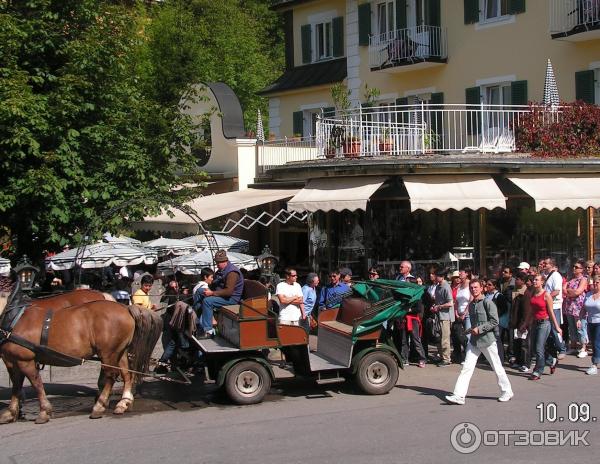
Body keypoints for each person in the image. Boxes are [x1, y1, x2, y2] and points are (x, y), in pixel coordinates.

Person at [445, 279, 513, 405]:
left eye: (476, 287)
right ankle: (459, 395)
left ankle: (507, 391)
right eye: (471, 288)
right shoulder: (471, 304)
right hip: (474, 341)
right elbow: (475, 323)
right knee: (466, 368)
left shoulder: (488, 303)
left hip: (487, 341)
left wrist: (480, 329)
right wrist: (469, 331)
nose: (473, 290)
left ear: (482, 288)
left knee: (497, 367)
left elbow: (494, 321)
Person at [198, 250, 244, 338]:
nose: (217, 264)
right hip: (222, 296)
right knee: (200, 292)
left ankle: (208, 331)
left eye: (218, 262)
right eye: (216, 262)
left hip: (231, 299)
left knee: (208, 301)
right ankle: (198, 320)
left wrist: (212, 293)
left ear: (225, 261)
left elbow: (228, 292)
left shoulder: (232, 273)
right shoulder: (221, 270)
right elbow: (215, 282)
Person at [527, 274, 562, 380]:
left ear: (542, 282)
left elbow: (551, 312)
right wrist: (525, 323)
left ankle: (538, 371)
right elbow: (531, 311)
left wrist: (557, 327)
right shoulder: (532, 293)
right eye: (534, 280)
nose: (534, 282)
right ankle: (552, 361)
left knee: (539, 348)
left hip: (544, 323)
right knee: (534, 347)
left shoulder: (546, 295)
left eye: (537, 280)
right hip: (535, 322)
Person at [399, 277, 427, 367]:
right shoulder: (404, 294)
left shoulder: (417, 295)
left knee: (416, 340)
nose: (405, 284)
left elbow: (418, 308)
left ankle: (422, 359)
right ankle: (404, 359)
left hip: (413, 320)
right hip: (404, 319)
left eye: (407, 282)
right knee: (404, 340)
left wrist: (409, 309)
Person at [543, 258, 567, 359]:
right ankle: (552, 353)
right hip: (548, 305)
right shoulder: (548, 276)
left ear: (552, 265)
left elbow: (556, 291)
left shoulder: (556, 275)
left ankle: (562, 349)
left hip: (555, 305)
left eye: (546, 263)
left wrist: (545, 298)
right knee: (548, 329)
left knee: (554, 328)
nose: (544, 265)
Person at [431, 268, 454, 367]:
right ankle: (442, 356)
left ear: (441, 276)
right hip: (438, 316)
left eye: (437, 276)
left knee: (445, 339)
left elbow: (450, 303)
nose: (435, 277)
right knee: (438, 338)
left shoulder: (446, 287)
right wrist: (434, 306)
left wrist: (439, 307)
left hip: (446, 317)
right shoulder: (437, 287)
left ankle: (446, 359)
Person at [511, 272, 532, 372]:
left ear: (523, 281)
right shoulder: (516, 291)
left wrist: (524, 324)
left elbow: (527, 311)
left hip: (523, 324)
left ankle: (526, 363)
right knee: (517, 343)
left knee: (524, 344)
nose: (516, 281)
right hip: (516, 322)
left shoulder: (526, 294)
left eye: (518, 279)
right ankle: (518, 361)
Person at [581, 276, 600, 375]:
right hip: (590, 322)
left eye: (597, 282)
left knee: (596, 343)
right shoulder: (588, 294)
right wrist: (580, 319)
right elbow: (583, 308)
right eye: (594, 283)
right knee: (593, 343)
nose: (595, 284)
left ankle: (594, 365)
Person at [452, 269, 472, 364]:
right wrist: (456, 312)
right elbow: (456, 301)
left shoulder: (470, 284)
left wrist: (465, 313)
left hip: (467, 314)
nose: (459, 274)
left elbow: (471, 300)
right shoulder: (459, 286)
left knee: (468, 336)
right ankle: (460, 355)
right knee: (458, 335)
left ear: (467, 274)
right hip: (458, 313)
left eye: (461, 272)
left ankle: (468, 358)